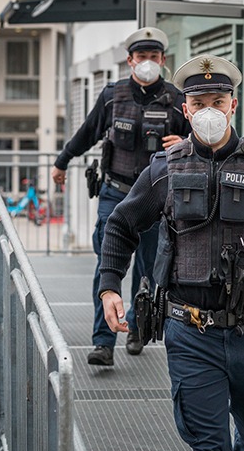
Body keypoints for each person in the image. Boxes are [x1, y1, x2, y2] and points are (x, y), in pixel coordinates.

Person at [97, 54, 244, 451]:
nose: (208, 112)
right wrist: (110, 285)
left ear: (233, 105)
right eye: (199, 104)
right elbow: (121, 224)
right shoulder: (165, 170)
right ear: (185, 109)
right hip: (191, 333)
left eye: (217, 101)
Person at [52, 27, 191, 367]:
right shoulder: (112, 96)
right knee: (107, 267)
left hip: (157, 202)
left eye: (154, 57)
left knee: (146, 270)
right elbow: (87, 132)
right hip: (115, 193)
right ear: (130, 60)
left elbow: (208, 140)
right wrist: (62, 161)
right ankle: (103, 343)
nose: (147, 63)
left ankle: (137, 328)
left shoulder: (176, 100)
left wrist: (187, 144)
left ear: (163, 60)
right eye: (141, 57)